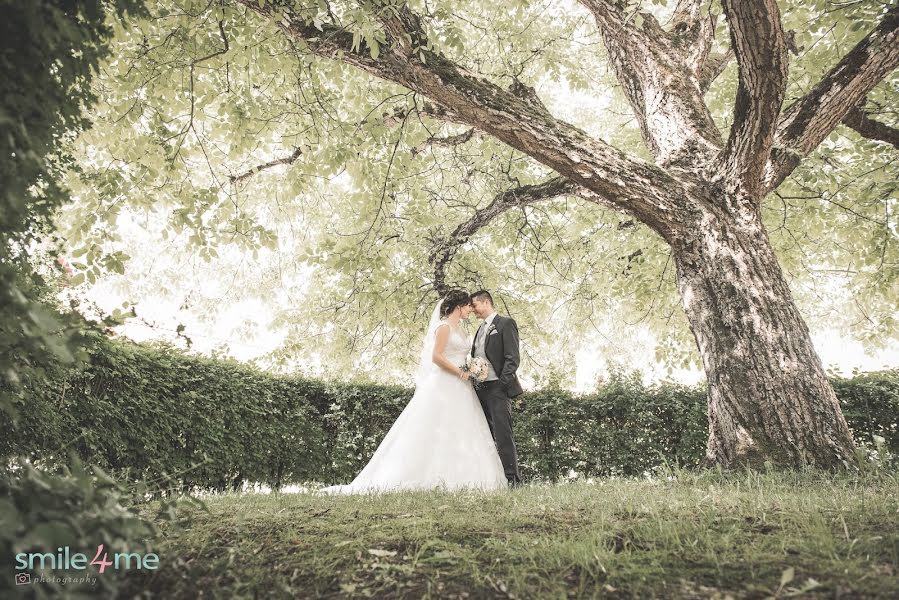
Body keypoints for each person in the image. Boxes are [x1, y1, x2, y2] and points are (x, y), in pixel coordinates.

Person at [318, 289, 508, 494]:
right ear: (459, 306)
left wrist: (471, 368)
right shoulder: (443, 327)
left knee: (462, 427)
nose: (470, 310)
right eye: (468, 307)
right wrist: (459, 372)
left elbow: (461, 355)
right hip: (445, 382)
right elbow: (436, 357)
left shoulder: (461, 330)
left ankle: (462, 476)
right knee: (435, 427)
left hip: (463, 386)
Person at [470, 290, 523, 486]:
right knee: (484, 434)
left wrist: (502, 384)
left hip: (497, 388)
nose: (473, 309)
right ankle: (492, 479)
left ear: (485, 302)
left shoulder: (505, 323)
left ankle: (513, 480)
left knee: (503, 435)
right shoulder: (479, 329)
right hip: (479, 388)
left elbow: (512, 358)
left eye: (474, 305)